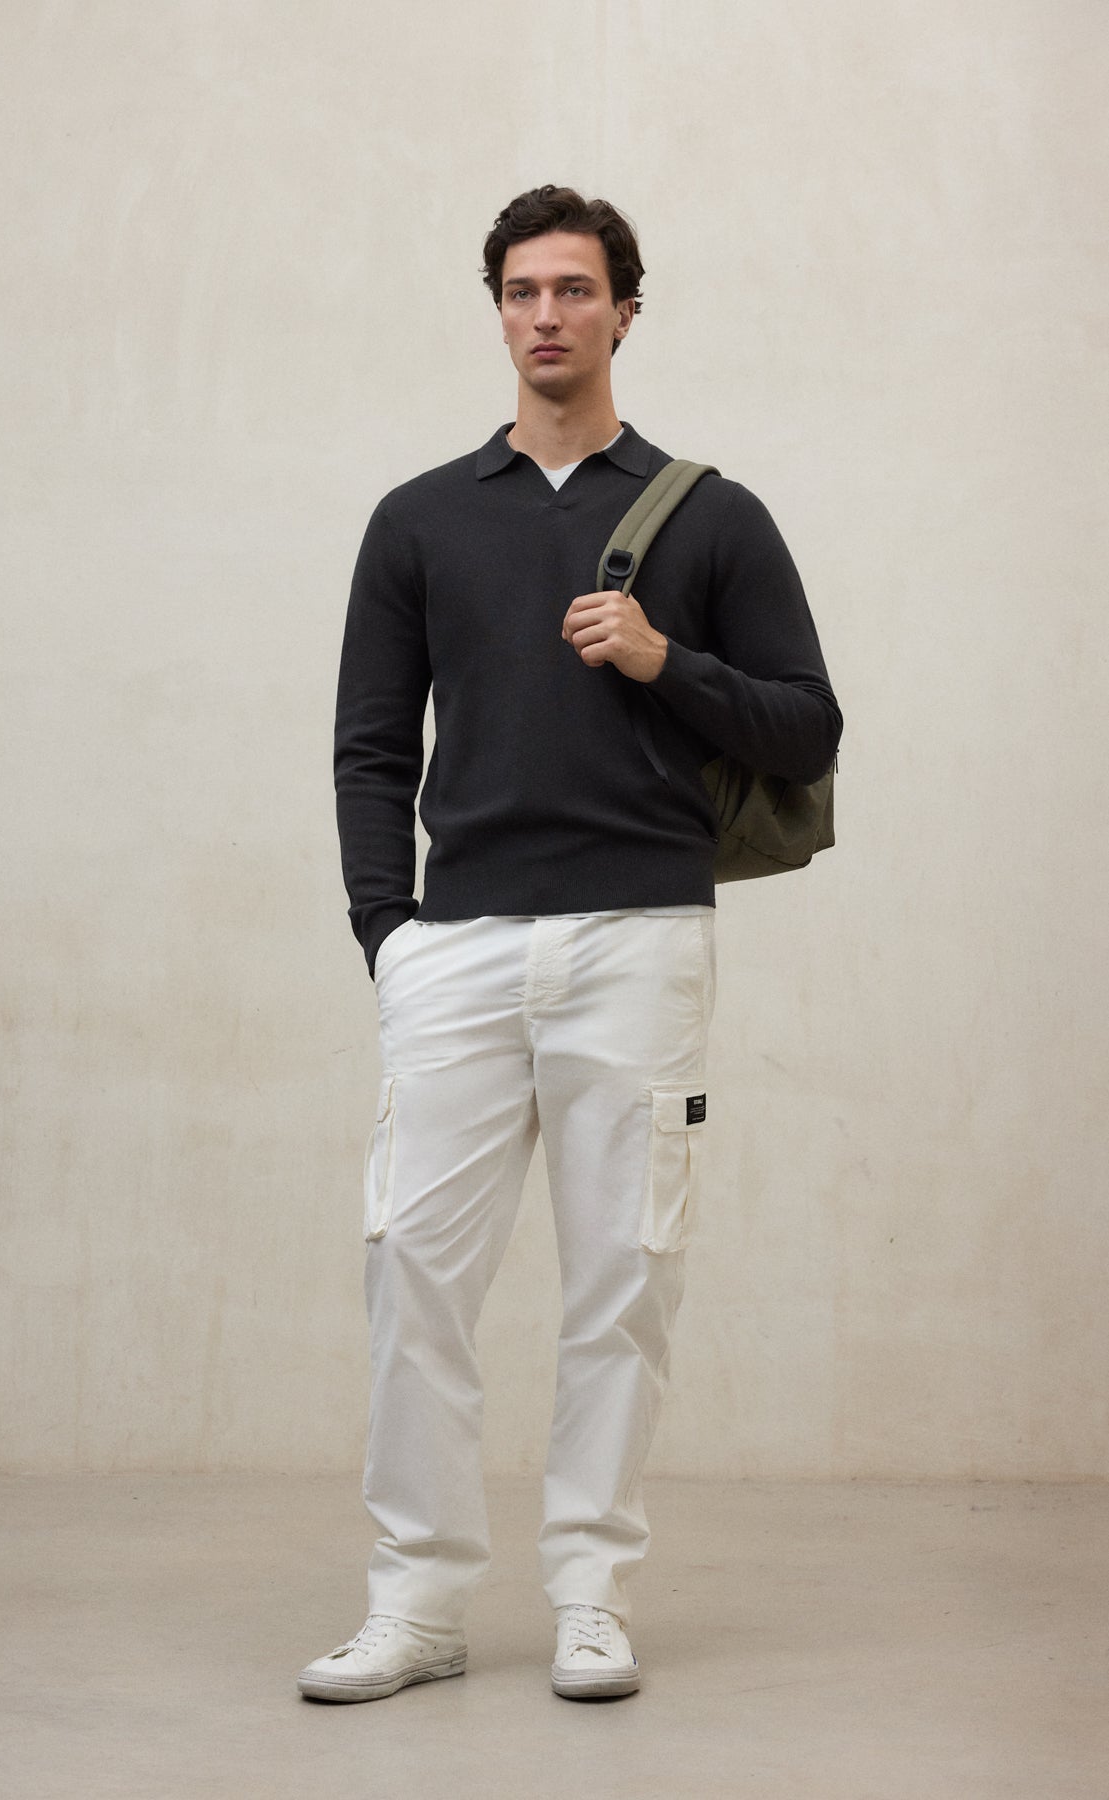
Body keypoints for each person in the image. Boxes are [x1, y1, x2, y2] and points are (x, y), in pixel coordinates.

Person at [298, 184, 842, 1705]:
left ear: (624, 311)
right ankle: (417, 1606)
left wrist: (665, 661)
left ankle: (591, 1596)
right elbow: (368, 748)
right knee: (413, 1276)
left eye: (576, 290)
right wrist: (388, 935)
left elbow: (809, 727)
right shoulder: (420, 518)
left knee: (623, 1282)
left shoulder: (710, 514)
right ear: (498, 313)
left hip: (640, 939)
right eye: (523, 291)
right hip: (457, 945)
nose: (548, 314)